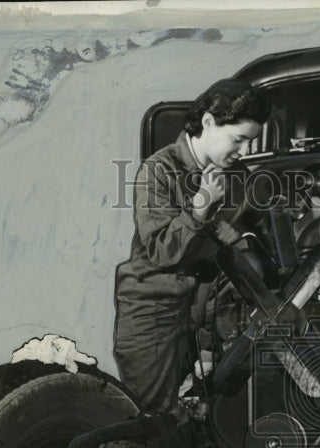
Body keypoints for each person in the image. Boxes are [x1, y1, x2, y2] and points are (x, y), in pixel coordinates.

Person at [113, 79, 271, 419]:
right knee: (151, 419)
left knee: (209, 417)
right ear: (209, 122)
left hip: (207, 312)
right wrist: (200, 207)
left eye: (250, 141)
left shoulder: (236, 175)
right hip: (154, 311)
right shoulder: (158, 170)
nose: (244, 151)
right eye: (239, 140)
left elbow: (243, 237)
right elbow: (160, 252)